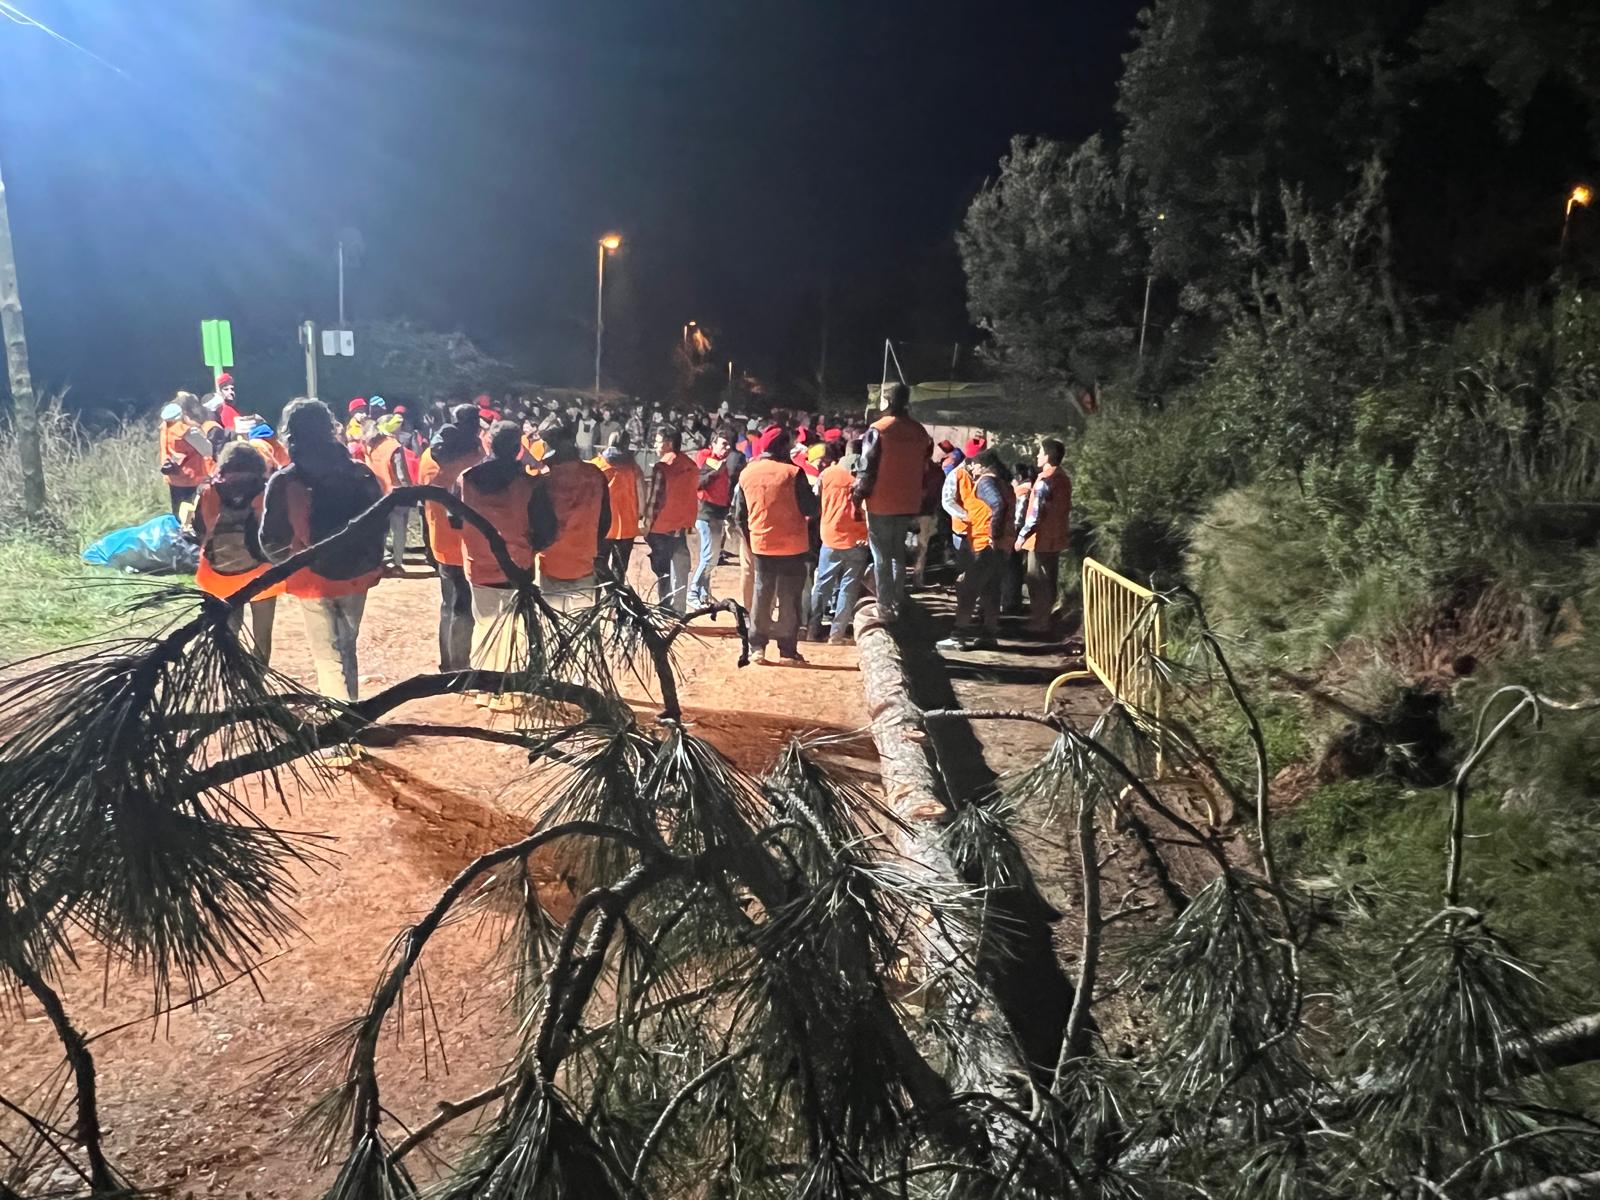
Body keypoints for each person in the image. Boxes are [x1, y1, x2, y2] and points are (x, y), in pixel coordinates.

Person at [260, 398, 385, 734]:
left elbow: (269, 539)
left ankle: (340, 732)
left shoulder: (285, 481)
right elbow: (380, 525)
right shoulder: (360, 473)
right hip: (357, 575)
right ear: (330, 429)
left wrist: (292, 561)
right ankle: (353, 719)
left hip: (310, 577)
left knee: (327, 655)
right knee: (347, 646)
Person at [456, 421, 557, 679]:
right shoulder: (529, 484)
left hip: (478, 564)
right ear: (518, 450)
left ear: (489, 443)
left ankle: (482, 685)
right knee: (514, 629)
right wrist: (530, 547)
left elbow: (453, 520)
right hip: (518, 566)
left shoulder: (465, 479)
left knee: (484, 624)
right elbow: (546, 531)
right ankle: (510, 687)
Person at [190, 442, 285, 661]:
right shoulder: (266, 492)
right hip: (261, 577)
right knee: (262, 638)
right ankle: (256, 683)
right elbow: (276, 536)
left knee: (229, 633)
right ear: (258, 464)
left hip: (217, 578)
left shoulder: (208, 493)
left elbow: (199, 531)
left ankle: (232, 674)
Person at [733, 427, 818, 664]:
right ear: (782, 447)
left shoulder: (747, 473)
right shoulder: (793, 473)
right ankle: (787, 650)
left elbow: (739, 514)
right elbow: (810, 508)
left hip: (762, 544)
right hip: (792, 544)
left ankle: (757, 647)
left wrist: (752, 541)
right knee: (789, 597)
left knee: (762, 593)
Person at [852, 382, 933, 620]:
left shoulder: (879, 429)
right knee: (898, 553)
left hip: (881, 501)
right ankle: (898, 601)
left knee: (881, 556)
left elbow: (866, 469)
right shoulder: (919, 431)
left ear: (886, 402)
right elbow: (925, 464)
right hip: (908, 501)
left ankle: (885, 605)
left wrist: (858, 497)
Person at [417, 414, 482, 671]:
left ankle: (448, 662)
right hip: (461, 545)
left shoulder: (427, 458)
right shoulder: (463, 470)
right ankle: (459, 666)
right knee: (462, 607)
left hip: (439, 539)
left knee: (448, 604)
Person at [938, 450, 1013, 652]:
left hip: (985, 546)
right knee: (990, 589)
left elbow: (997, 505)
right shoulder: (1005, 483)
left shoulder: (986, 482)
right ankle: (990, 634)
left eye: (975, 465)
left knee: (967, 588)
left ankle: (959, 635)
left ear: (982, 465)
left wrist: (992, 535)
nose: (973, 469)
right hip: (1000, 547)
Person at [530, 424, 609, 610]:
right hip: (584, 560)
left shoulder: (543, 478)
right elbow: (605, 521)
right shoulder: (596, 475)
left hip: (552, 562)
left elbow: (533, 521)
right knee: (583, 623)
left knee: (553, 623)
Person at [806, 439, 869, 644]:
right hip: (858, 539)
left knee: (822, 585)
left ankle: (812, 630)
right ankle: (837, 634)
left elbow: (815, 499)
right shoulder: (867, 476)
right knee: (848, 588)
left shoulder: (827, 474)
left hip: (830, 536)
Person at [1018, 438, 1072, 634]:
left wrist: (1022, 536)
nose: (1037, 456)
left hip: (1040, 538)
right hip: (1056, 537)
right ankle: (1044, 619)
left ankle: (1039, 621)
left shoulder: (1045, 480)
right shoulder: (1062, 478)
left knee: (1036, 579)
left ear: (1048, 456)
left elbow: (1035, 514)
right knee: (1049, 579)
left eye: (1040, 452)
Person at [689, 426, 744, 607]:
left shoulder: (720, 462)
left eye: (729, 445)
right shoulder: (709, 460)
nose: (727, 448)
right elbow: (697, 483)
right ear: (713, 444)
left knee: (711, 557)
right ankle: (693, 593)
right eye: (723, 444)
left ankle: (703, 594)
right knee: (708, 557)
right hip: (706, 513)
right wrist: (715, 471)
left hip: (717, 513)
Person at [645, 427, 697, 612]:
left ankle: (665, 607)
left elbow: (654, 500)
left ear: (668, 443)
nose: (655, 445)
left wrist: (647, 525)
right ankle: (680, 609)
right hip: (682, 525)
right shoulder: (691, 465)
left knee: (663, 571)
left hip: (662, 526)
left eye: (658, 441)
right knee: (681, 568)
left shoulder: (663, 467)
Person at [593, 430, 646, 581]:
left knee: (599, 568)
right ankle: (617, 602)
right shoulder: (633, 467)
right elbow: (641, 493)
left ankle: (598, 601)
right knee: (619, 571)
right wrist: (641, 515)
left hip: (602, 526)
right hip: (627, 526)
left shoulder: (597, 464)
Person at [366, 415, 415, 572]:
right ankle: (397, 563)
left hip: (376, 493)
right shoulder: (394, 446)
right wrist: (410, 491)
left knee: (380, 530)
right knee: (398, 529)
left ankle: (381, 559)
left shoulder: (370, 444)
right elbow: (401, 473)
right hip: (395, 493)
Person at [159, 392, 214, 514]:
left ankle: (180, 529)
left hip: (173, 476)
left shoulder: (165, 427)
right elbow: (207, 450)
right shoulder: (187, 431)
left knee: (178, 511)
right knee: (191, 514)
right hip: (190, 478)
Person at [1004, 463, 1037, 614]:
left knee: (1012, 568)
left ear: (1017, 477)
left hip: (1018, 533)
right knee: (1017, 568)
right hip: (1028, 535)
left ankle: (1011, 602)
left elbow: (1019, 514)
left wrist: (1015, 531)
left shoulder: (1023, 491)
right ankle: (1014, 601)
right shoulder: (1033, 487)